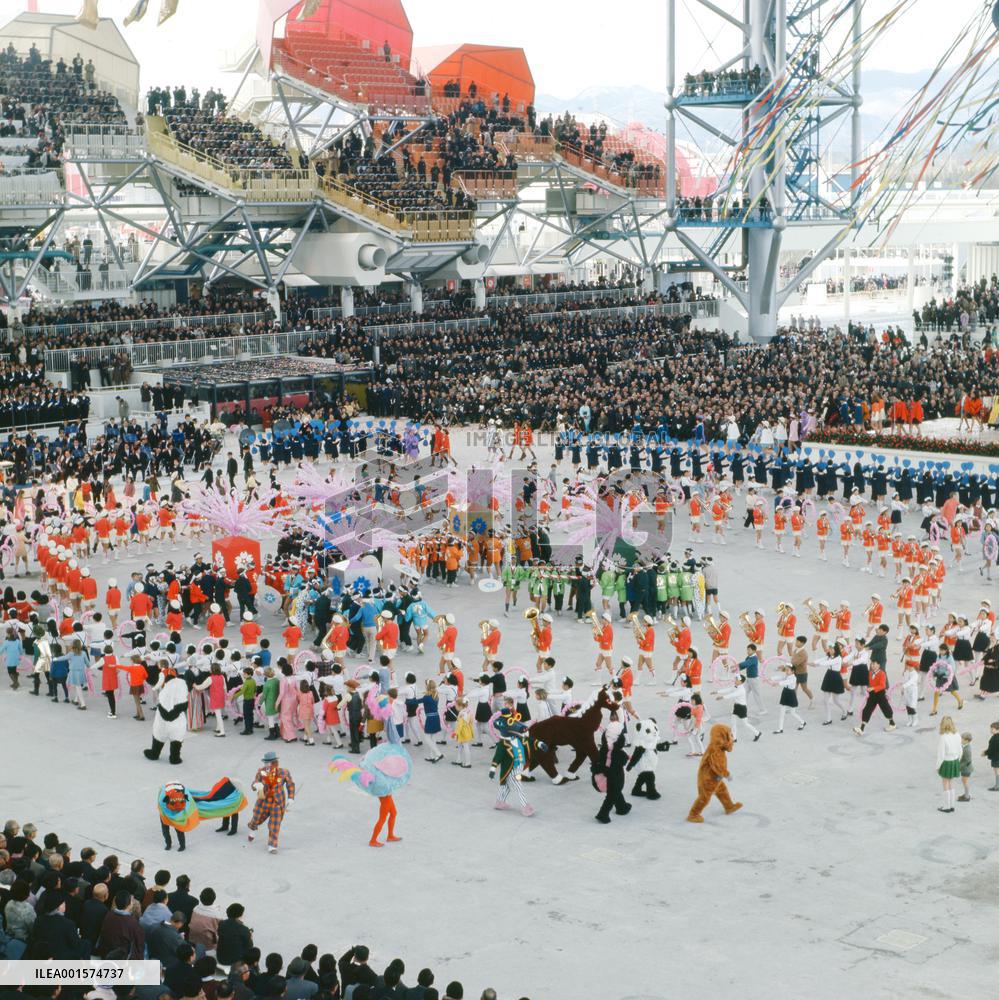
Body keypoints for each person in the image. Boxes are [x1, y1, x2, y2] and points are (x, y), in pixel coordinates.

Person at [247, 750, 296, 854]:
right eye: (266, 762)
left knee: (275, 823)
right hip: (263, 800)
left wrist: (291, 798)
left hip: (277, 802)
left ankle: (272, 845)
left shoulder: (283, 772)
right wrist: (255, 785)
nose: (267, 765)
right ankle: (252, 828)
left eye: (269, 762)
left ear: (275, 762)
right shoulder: (261, 772)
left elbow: (290, 784)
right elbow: (255, 782)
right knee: (256, 818)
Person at [936, 715, 961, 813]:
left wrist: (938, 766)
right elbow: (960, 750)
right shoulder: (957, 734)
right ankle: (952, 805)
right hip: (955, 760)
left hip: (946, 761)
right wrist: (958, 760)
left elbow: (941, 754)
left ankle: (947, 806)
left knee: (945, 783)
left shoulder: (943, 737)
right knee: (951, 782)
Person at [982, 720, 999, 791]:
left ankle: (997, 786)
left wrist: (985, 753)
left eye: (992, 729)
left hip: (996, 757)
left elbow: (992, 749)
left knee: (997, 771)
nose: (991, 730)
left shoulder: (995, 738)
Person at [957, 731, 974, 802]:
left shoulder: (967, 749)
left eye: (962, 739)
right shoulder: (965, 746)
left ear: (967, 740)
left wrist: (958, 767)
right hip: (965, 768)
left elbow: (967, 761)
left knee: (965, 782)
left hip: (966, 769)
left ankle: (967, 796)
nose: (961, 740)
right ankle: (966, 794)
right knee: (964, 781)